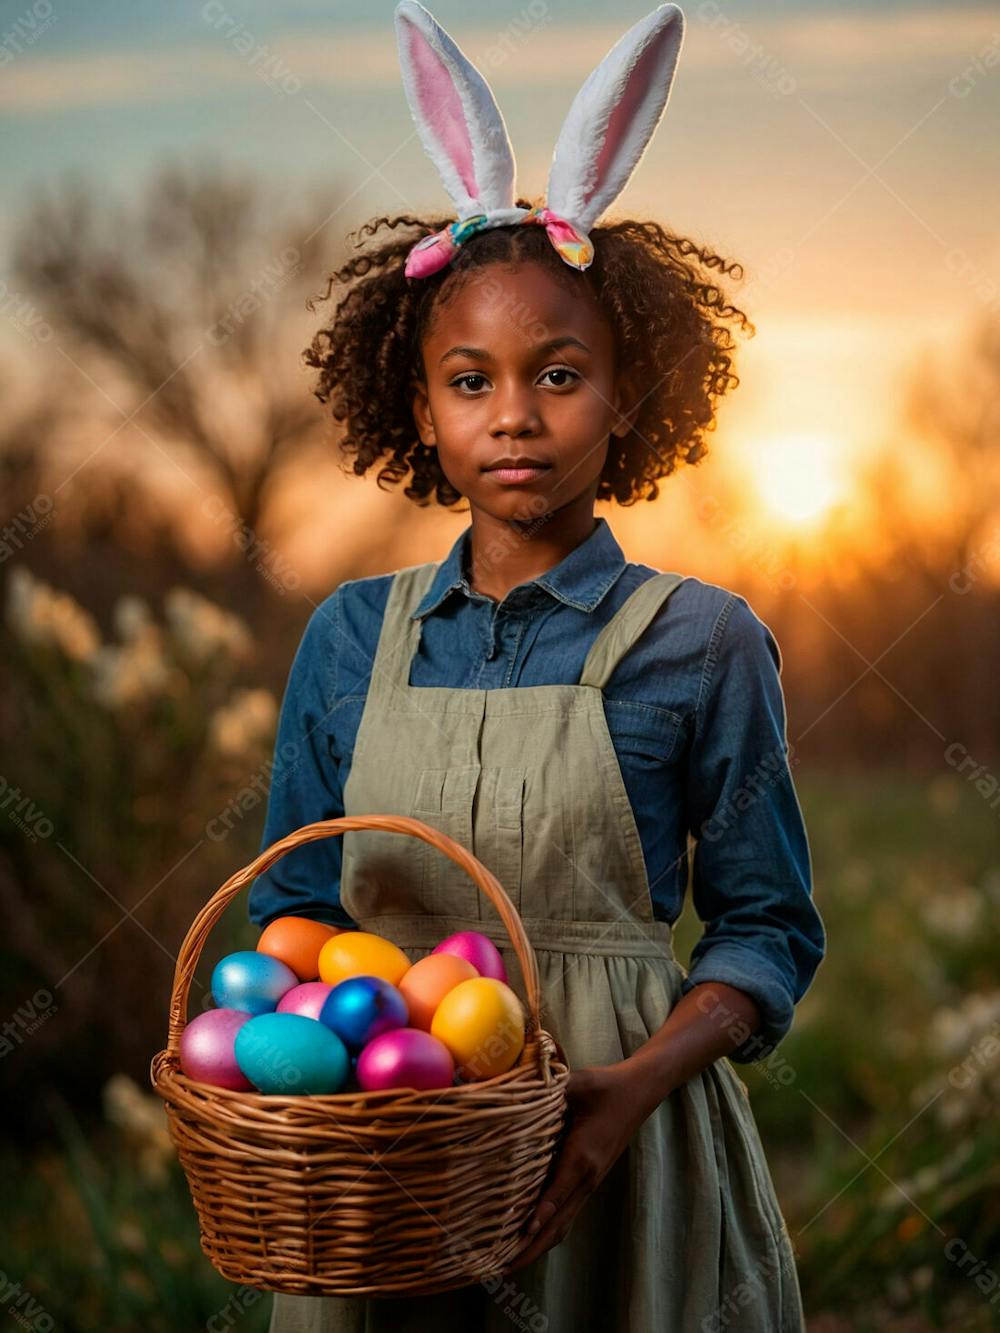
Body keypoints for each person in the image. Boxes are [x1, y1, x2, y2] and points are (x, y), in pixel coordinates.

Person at [247, 3, 826, 1329]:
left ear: (629, 393)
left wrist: (633, 1086)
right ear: (420, 409)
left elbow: (766, 928)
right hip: (390, 1158)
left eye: (560, 373)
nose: (515, 413)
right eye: (471, 380)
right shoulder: (350, 636)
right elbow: (286, 907)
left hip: (624, 1139)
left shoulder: (705, 640)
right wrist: (314, 1074)